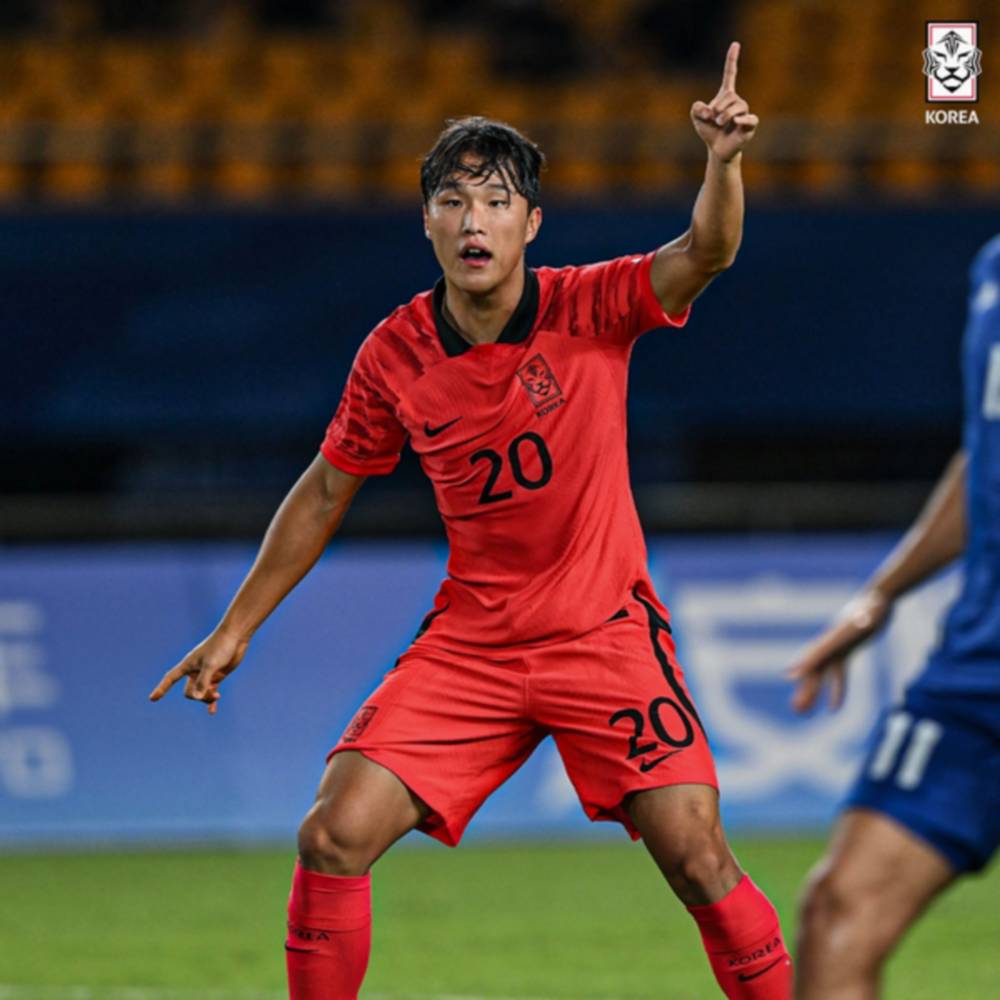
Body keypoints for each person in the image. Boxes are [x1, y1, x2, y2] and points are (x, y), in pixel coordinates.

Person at [151, 43, 791, 1000]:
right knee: (333, 834)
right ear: (427, 223)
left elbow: (708, 252)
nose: (473, 221)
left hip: (602, 632)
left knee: (697, 856)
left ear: (532, 222)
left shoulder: (592, 306)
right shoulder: (396, 352)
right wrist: (235, 627)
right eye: (453, 201)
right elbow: (326, 489)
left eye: (495, 202)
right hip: (474, 646)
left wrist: (723, 162)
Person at [789, 236, 1000, 998]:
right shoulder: (992, 269)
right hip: (979, 671)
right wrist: (881, 594)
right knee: (839, 909)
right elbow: (985, 452)